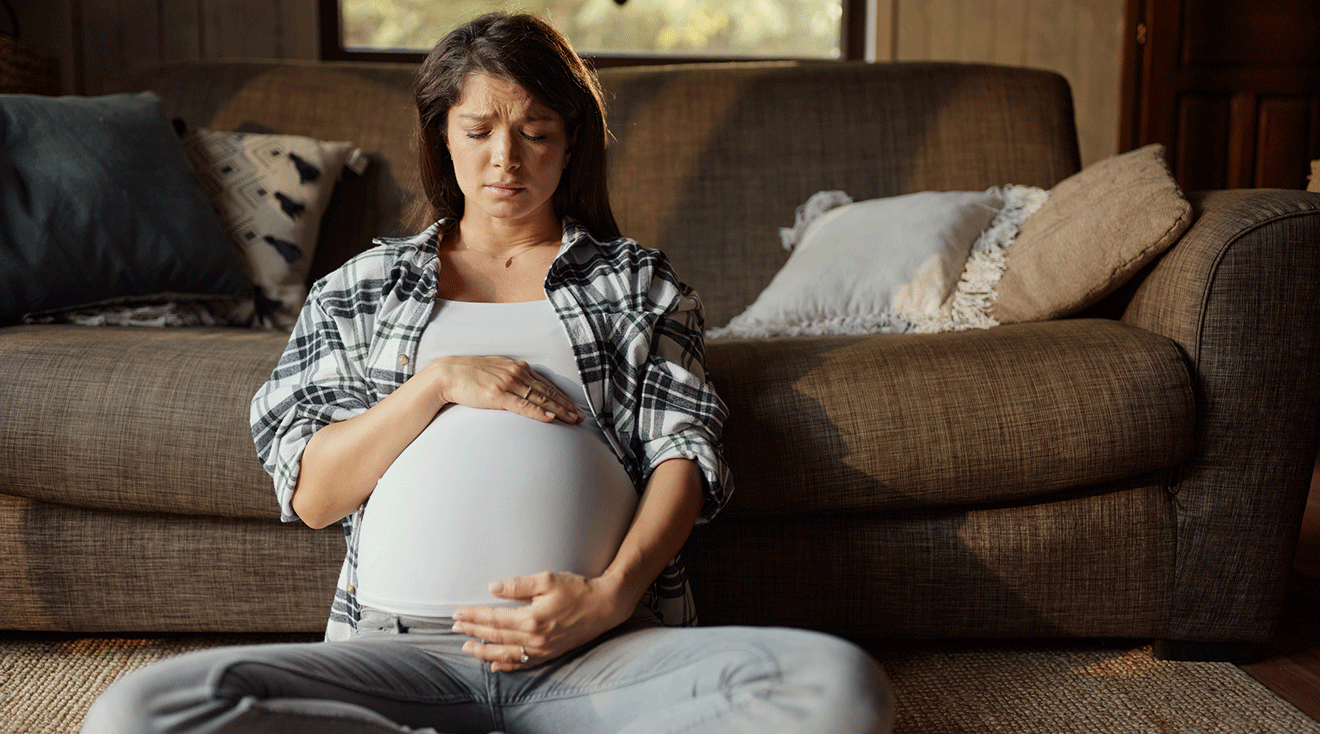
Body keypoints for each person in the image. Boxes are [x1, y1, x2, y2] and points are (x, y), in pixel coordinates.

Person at [81, 12, 894, 734]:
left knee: (835, 686)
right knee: (139, 712)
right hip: (400, 662)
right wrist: (438, 384)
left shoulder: (638, 284)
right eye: (478, 131)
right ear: (442, 135)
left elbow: (683, 455)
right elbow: (316, 494)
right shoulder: (356, 291)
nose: (506, 158)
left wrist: (608, 598)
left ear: (571, 140)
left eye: (536, 130)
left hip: (597, 656)